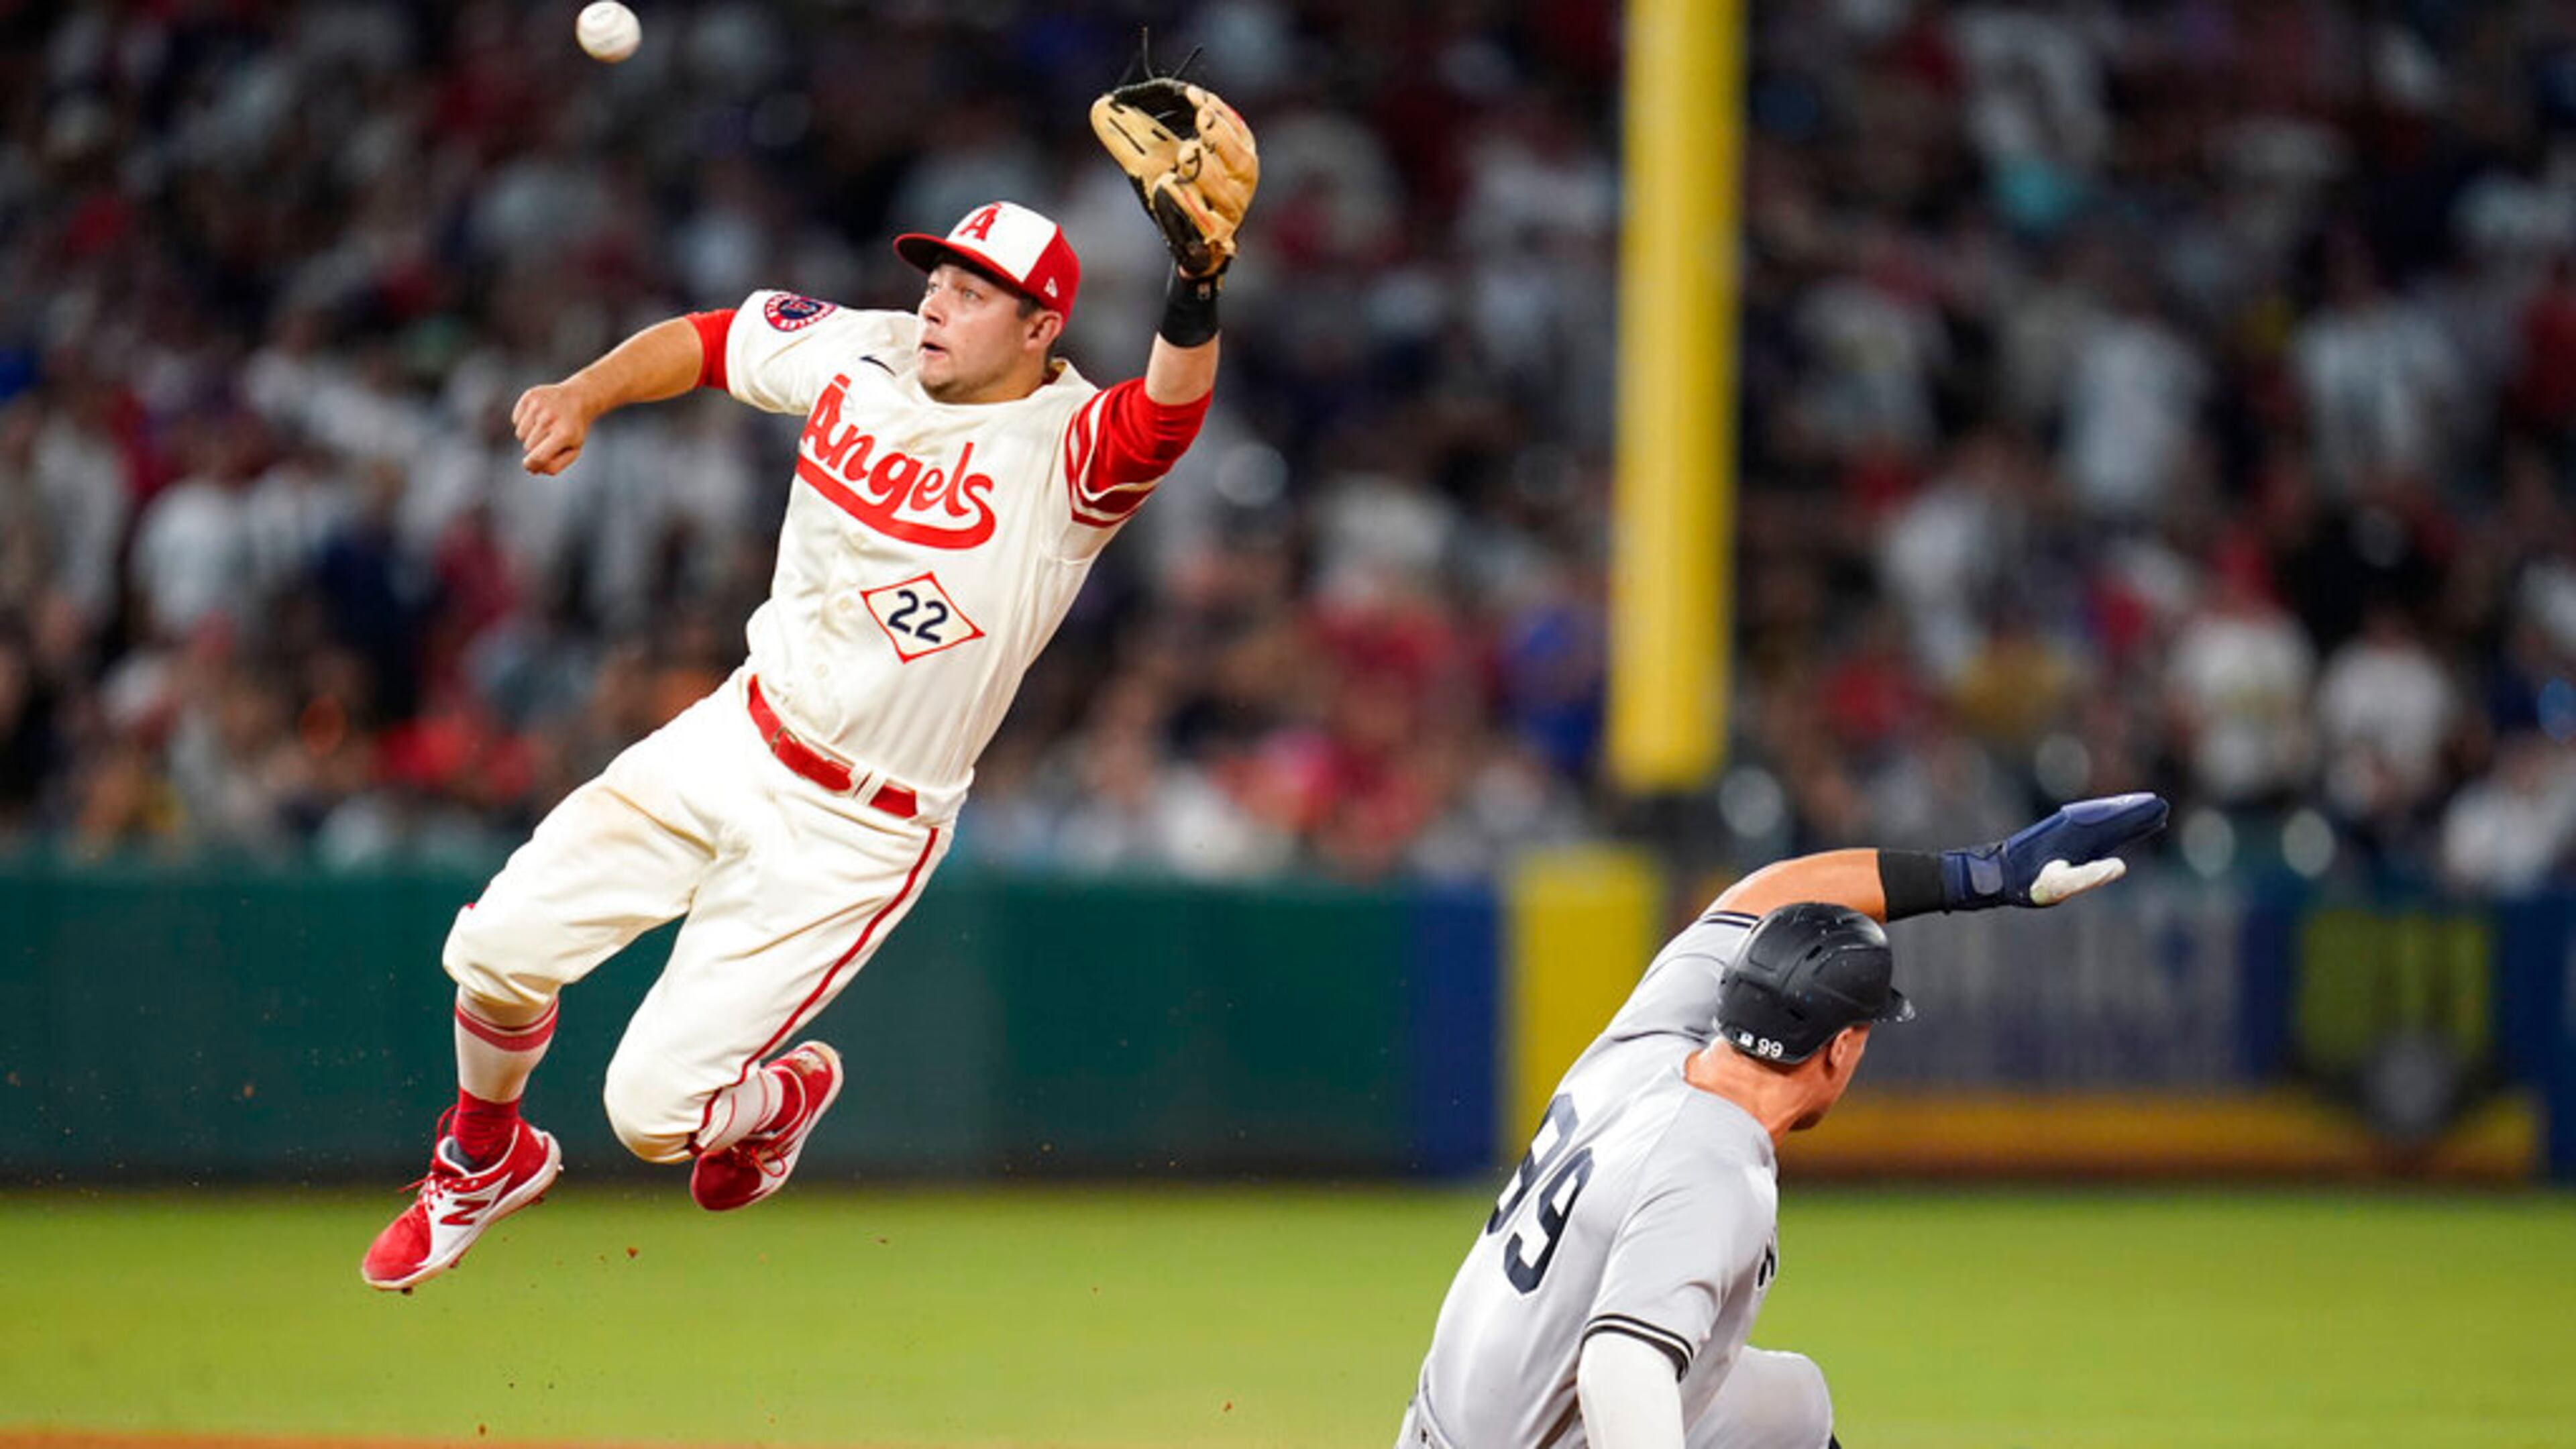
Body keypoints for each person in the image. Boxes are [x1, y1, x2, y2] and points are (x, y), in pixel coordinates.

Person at [360, 181, 1251, 1291]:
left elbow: (1169, 412)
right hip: (740, 729)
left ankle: (782, 1098)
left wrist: (1197, 281)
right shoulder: (859, 350)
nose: (935, 302)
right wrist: (586, 395)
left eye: (974, 293)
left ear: (1039, 328)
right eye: (937, 276)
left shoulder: (1068, 450)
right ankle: (482, 1156)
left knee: (648, 1114)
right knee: (495, 952)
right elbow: (709, 339)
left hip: (857, 826)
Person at [1395, 793, 2169, 1449]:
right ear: (1841, 1047)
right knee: (1653, 1373)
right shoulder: (1715, 1170)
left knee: (1793, 1405)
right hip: (1542, 1429)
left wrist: (1981, 876)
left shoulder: (1649, 1040)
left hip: (1450, 1417)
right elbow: (1618, 1370)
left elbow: (1760, 896)